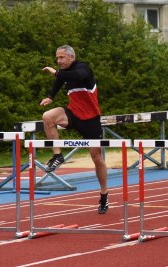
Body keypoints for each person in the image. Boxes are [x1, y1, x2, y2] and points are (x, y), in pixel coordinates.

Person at [40, 45, 109, 214]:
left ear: (71, 57)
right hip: (73, 113)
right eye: (57, 58)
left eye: (61, 58)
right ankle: (58, 155)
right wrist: (50, 97)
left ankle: (104, 194)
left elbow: (74, 76)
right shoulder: (64, 73)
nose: (58, 61)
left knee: (97, 157)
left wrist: (55, 72)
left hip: (91, 119)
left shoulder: (82, 68)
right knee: (48, 117)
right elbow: (60, 80)